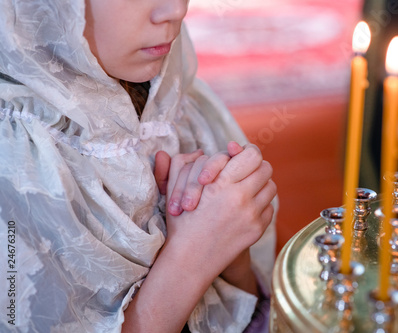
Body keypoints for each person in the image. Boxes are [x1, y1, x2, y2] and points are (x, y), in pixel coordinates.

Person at [0, 0, 277, 332]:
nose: (175, 10)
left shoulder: (175, 102)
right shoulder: (17, 167)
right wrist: (192, 258)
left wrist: (232, 255)